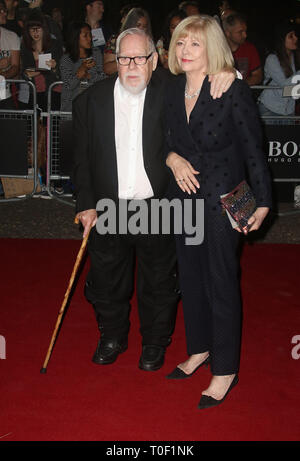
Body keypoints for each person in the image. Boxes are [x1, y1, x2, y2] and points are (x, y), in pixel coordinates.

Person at [72, 27, 235, 371]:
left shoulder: (170, 91)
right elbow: (81, 160)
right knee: (108, 280)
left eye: (140, 58)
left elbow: (206, 80)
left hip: (157, 205)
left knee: (159, 281)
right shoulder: (89, 101)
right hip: (108, 206)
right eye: (124, 58)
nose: (132, 66)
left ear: (154, 60)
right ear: (114, 60)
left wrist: (227, 72)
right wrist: (85, 204)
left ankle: (154, 342)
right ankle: (112, 336)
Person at [164, 15, 272, 409]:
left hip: (226, 201)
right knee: (190, 277)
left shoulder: (230, 89)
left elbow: (252, 148)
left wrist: (262, 201)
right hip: (184, 199)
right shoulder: (173, 88)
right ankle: (199, 349)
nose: (186, 51)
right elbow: (162, 137)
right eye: (180, 43)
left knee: (221, 281)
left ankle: (225, 368)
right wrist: (171, 156)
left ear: (212, 48)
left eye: (195, 44)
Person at [20, 9, 62, 112]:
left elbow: (60, 73)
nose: (35, 32)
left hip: (52, 91)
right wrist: (27, 74)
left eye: (38, 28)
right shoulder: (26, 47)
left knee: (51, 125)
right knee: (33, 125)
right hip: (33, 92)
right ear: (27, 30)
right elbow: (24, 71)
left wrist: (54, 67)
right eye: (32, 28)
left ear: (44, 29)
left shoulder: (54, 45)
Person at [60, 21, 106, 112]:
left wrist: (89, 76)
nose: (89, 39)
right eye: (85, 36)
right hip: (71, 108)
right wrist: (81, 70)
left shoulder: (96, 54)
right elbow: (68, 85)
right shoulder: (66, 59)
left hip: (93, 106)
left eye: (90, 35)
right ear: (75, 38)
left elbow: (103, 78)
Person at [258, 20, 300, 119]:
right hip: (270, 108)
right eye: (291, 36)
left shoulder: (295, 57)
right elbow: (285, 84)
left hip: (288, 109)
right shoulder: (272, 59)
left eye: (295, 35)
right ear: (282, 39)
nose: (295, 39)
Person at [103, 7, 152, 76]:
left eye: (144, 26)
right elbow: (107, 69)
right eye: (138, 25)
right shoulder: (116, 40)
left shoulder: (148, 42)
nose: (141, 29)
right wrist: (126, 59)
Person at [223, 12, 262, 85]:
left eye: (245, 31)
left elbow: (257, 76)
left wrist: (240, 85)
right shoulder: (218, 50)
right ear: (227, 33)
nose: (245, 35)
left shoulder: (250, 49)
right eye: (240, 32)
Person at [0, 0, 20, 109]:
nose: (4, 13)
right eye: (1, 11)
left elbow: (15, 67)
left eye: (5, 10)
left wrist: (4, 76)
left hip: (4, 93)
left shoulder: (12, 36)